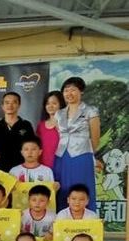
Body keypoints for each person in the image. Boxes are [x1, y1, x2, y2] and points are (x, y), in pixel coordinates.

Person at [54, 76, 101, 212]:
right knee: (62, 189)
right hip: (61, 156)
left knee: (82, 188)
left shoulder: (90, 111)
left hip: (82, 156)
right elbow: (60, 135)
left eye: (73, 90)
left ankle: (86, 221)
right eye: (66, 90)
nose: (69, 93)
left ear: (81, 91)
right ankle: (63, 220)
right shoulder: (59, 113)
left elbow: (95, 138)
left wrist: (89, 154)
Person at [0, 92, 35, 173]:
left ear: (19, 105)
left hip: (21, 170)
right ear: (2, 106)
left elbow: (32, 147)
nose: (10, 105)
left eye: (14, 102)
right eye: (7, 102)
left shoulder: (26, 125)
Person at [36, 91, 65, 169]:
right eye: (47, 103)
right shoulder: (40, 126)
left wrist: (59, 126)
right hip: (43, 167)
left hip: (61, 165)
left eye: (54, 103)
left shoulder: (66, 124)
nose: (50, 106)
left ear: (61, 105)